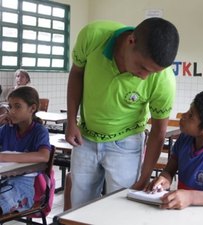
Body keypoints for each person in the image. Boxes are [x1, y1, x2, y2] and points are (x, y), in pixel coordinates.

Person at [65, 17, 180, 208]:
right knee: (80, 206)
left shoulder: (164, 81)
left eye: (152, 72)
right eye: (143, 67)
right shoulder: (94, 36)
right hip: (85, 138)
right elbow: (77, 73)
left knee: (118, 209)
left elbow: (158, 132)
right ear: (131, 41)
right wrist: (71, 121)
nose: (144, 76)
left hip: (126, 145)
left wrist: (144, 177)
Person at [0, 86, 51, 215]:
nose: (11, 111)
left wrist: (4, 156)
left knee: (3, 197)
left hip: (24, 185)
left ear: (32, 108)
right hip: (4, 178)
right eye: (10, 107)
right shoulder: (7, 129)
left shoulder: (39, 131)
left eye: (17, 106)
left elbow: (44, 156)